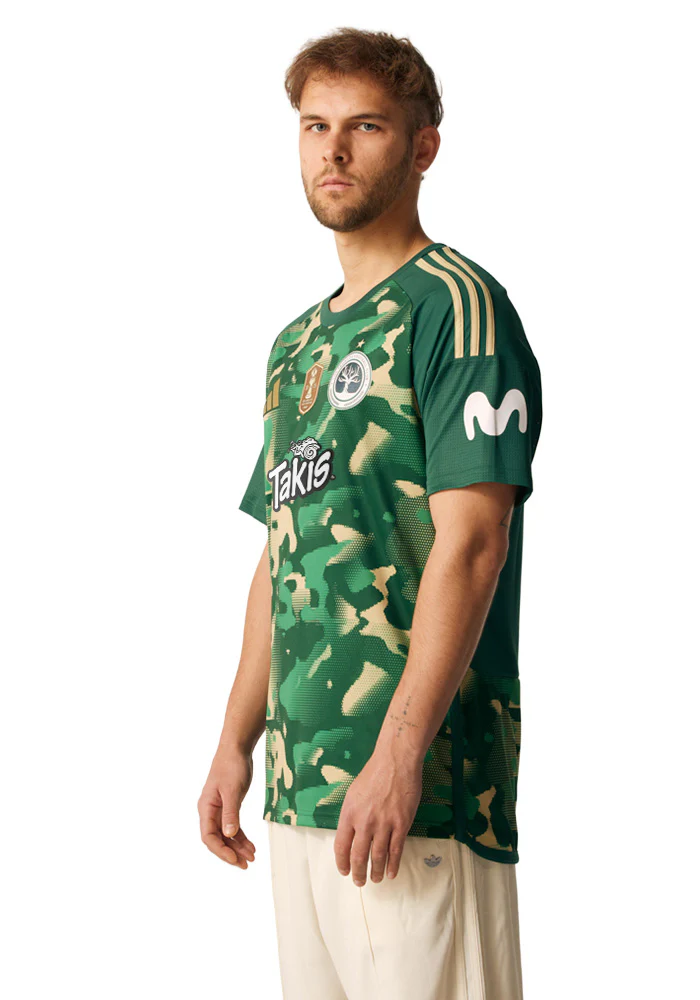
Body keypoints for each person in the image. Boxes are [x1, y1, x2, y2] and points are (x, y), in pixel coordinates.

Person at [198, 26, 543, 1000]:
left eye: (366, 127)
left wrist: (398, 756)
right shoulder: (297, 345)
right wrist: (234, 741)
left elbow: (473, 544)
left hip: (419, 790)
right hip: (301, 785)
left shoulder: (457, 308)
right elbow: (281, 551)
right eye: (315, 126)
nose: (334, 151)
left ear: (422, 147)